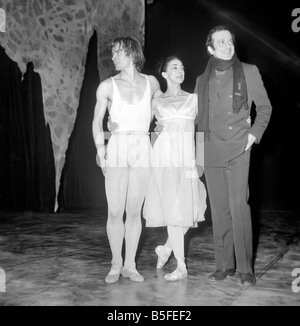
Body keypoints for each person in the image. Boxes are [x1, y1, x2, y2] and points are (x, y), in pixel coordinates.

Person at [194, 25, 272, 286]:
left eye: (230, 40)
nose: (227, 45)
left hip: (238, 148)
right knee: (219, 210)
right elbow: (196, 119)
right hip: (211, 149)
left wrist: (253, 135)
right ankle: (224, 265)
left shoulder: (249, 71)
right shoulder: (200, 80)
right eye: (221, 41)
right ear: (210, 48)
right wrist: (197, 154)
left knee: (240, 207)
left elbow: (264, 108)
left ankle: (245, 268)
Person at [92, 36, 161, 284]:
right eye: (112, 53)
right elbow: (96, 121)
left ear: (131, 53)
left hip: (143, 146)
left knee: (134, 212)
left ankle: (130, 265)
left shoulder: (152, 82)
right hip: (118, 146)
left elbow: (161, 112)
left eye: (117, 52)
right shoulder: (107, 86)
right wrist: (101, 152)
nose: (113, 57)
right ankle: (115, 264)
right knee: (114, 211)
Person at [143, 56, 207, 281]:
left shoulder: (194, 99)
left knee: (187, 212)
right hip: (163, 160)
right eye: (174, 67)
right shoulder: (156, 102)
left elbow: (204, 128)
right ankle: (181, 266)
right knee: (173, 211)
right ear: (164, 74)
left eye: (182, 66)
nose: (180, 70)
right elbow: (145, 130)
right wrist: (114, 125)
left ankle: (166, 248)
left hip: (187, 160)